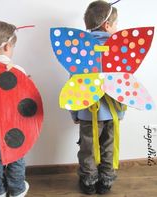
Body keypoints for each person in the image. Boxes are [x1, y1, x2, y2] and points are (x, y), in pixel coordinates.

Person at [70, 0, 125, 195]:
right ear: (107, 25)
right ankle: (106, 182)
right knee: (108, 146)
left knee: (87, 148)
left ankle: (88, 182)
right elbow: (125, 80)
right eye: (116, 24)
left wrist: (74, 112)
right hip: (113, 112)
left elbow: (74, 83)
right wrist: (121, 111)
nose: (117, 28)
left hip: (87, 110)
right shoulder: (119, 48)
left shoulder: (80, 48)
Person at [0, 20, 29, 197]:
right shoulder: (17, 70)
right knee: (15, 157)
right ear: (8, 46)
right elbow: (25, 102)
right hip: (14, 127)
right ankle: (17, 190)